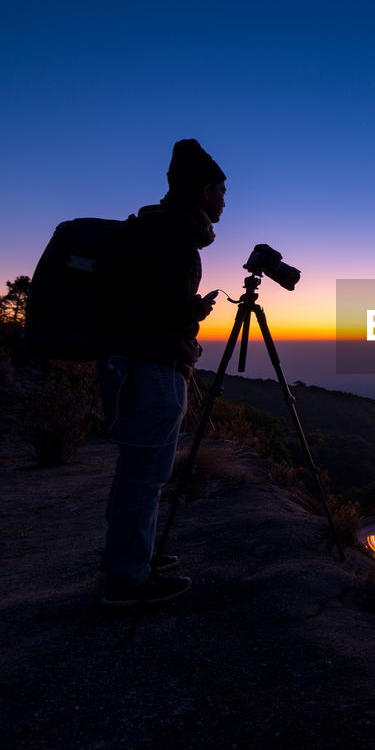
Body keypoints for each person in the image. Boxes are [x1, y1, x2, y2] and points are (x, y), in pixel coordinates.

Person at [96, 139, 226, 606]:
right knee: (144, 477)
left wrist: (184, 308)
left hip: (134, 365)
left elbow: (144, 302)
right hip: (149, 369)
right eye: (221, 192)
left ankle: (128, 559)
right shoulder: (172, 235)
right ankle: (127, 580)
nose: (225, 202)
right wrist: (189, 312)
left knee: (137, 473)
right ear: (204, 189)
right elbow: (157, 311)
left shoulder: (155, 229)